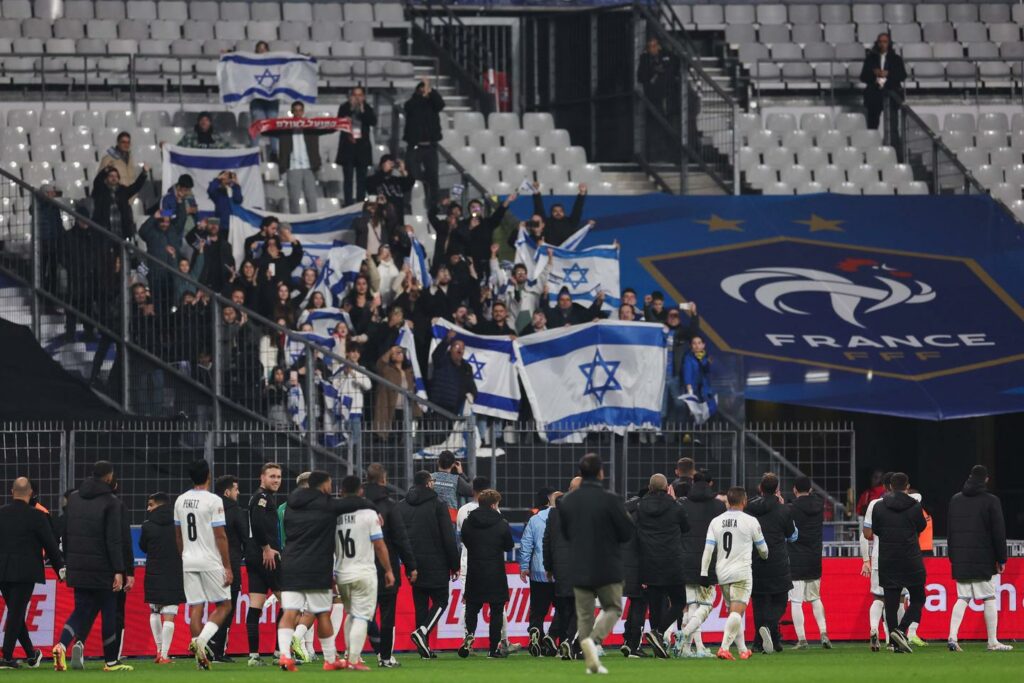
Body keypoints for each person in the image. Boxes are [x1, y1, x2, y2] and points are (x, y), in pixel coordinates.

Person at [276, 472, 381, 672]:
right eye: (330, 484)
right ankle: (330, 658)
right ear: (324, 486)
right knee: (322, 613)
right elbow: (353, 502)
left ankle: (284, 655)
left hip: (290, 564)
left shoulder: (290, 505)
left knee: (290, 611)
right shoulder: (327, 504)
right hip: (317, 566)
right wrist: (375, 508)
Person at [558, 453, 634, 675]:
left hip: (579, 565)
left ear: (581, 473)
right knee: (613, 608)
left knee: (584, 615)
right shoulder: (611, 499)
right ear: (601, 473)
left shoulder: (567, 501)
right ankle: (594, 640)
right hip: (608, 566)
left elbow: (566, 533)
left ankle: (589, 660)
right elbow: (627, 532)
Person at [53, 461, 131, 672]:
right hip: (103, 567)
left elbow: (67, 533)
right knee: (109, 611)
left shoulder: (75, 499)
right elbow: (114, 539)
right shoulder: (111, 502)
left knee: (80, 610)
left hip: (78, 565)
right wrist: (118, 570)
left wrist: (69, 561)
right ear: (108, 477)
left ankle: (61, 645)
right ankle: (111, 661)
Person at [946, 465, 1011, 652]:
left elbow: (950, 531)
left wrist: (953, 555)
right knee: (989, 597)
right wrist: (1002, 558)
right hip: (983, 557)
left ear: (969, 477)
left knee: (963, 597)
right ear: (986, 480)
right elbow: (999, 532)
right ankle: (992, 641)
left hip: (961, 557)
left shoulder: (955, 500)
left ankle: (952, 636)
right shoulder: (991, 501)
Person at [0, 477, 63, 669]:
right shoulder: (37, 516)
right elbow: (50, 545)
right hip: (26, 572)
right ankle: (7, 657)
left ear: (12, 492)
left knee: (15, 613)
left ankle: (31, 654)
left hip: (2, 570)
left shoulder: (1, 513)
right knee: (17, 612)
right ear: (30, 493)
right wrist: (60, 568)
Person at [701, 486, 768, 661]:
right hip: (742, 573)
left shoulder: (716, 521)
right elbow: (764, 550)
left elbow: (708, 550)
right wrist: (763, 554)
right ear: (744, 501)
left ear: (728, 501)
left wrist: (703, 572)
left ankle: (743, 649)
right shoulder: (751, 521)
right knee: (737, 613)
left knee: (734, 613)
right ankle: (723, 648)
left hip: (722, 573)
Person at [398, 470, 459, 660]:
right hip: (436, 562)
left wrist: (408, 562)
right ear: (429, 484)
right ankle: (422, 632)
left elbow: (399, 536)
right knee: (441, 600)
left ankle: (423, 648)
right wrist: (454, 564)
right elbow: (448, 538)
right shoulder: (438, 505)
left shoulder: (402, 506)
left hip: (412, 563)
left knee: (421, 604)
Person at [864, 472, 926, 654]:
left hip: (887, 558)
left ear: (890, 486)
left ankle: (893, 641)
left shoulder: (879, 507)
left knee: (890, 603)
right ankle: (901, 630)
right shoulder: (914, 506)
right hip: (910, 558)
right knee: (918, 597)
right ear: (907, 487)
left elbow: (875, 531)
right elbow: (922, 527)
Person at [362, 464, 418, 668]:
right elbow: (401, 538)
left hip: (360, 566)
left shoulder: (356, 505)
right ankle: (385, 657)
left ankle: (355, 654)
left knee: (362, 613)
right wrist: (411, 566)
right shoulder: (389, 505)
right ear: (384, 479)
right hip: (386, 569)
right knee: (387, 614)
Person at [636, 473, 690, 659]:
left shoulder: (641, 506)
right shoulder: (675, 506)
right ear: (668, 487)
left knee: (655, 605)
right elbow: (686, 527)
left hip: (649, 562)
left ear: (650, 487)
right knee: (679, 602)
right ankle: (658, 633)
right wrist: (673, 500)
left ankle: (657, 639)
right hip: (672, 562)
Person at [458, 489, 514, 659]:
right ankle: (492, 649)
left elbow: (465, 540)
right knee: (497, 610)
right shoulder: (502, 523)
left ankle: (470, 635)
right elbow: (509, 546)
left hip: (475, 570)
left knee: (472, 607)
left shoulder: (468, 522)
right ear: (492, 504)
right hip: (495, 571)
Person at [674, 471, 726, 658]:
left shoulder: (683, 505)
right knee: (704, 605)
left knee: (690, 605)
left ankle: (689, 648)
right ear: (710, 483)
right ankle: (694, 645)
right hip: (709, 562)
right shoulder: (719, 506)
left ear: (692, 482)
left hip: (685, 559)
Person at [745, 472, 796, 655]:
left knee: (759, 603)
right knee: (780, 601)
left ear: (760, 488)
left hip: (754, 560)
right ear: (777, 490)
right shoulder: (783, 510)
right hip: (777, 561)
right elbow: (793, 535)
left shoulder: (748, 508)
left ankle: (763, 643)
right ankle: (769, 627)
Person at [138, 492, 184, 665]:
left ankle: (158, 651)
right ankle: (164, 654)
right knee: (170, 614)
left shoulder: (147, 525)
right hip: (174, 571)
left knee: (155, 610)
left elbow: (143, 546)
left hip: (154, 570)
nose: (148, 508)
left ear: (158, 505)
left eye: (150, 505)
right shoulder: (178, 523)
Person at [245, 463, 283, 666]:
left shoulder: (260, 497)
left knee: (255, 606)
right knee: (289, 603)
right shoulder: (262, 497)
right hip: (266, 557)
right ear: (262, 477)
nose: (276, 480)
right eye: (272, 476)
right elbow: (258, 522)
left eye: (278, 476)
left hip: (253, 557)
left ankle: (253, 656)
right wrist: (267, 548)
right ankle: (279, 652)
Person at [208, 475, 248, 663]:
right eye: (236, 489)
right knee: (227, 608)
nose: (238, 493)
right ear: (227, 491)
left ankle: (209, 643)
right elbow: (245, 539)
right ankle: (216, 649)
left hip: (209, 562)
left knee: (216, 606)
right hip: (229, 564)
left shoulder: (208, 510)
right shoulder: (236, 511)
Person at [788, 476, 830, 649]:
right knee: (815, 598)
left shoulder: (791, 508)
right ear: (811, 489)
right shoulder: (819, 506)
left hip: (796, 557)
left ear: (794, 490)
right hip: (814, 557)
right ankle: (823, 633)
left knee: (796, 601)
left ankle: (802, 639)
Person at [543, 482, 580, 660]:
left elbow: (547, 541)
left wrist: (549, 566)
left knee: (564, 606)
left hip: (560, 566)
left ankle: (562, 642)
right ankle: (569, 642)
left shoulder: (554, 512)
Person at [519, 489, 558, 658]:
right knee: (564, 609)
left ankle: (536, 633)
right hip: (559, 572)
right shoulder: (565, 519)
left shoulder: (535, 520)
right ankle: (555, 639)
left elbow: (526, 544)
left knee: (538, 610)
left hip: (538, 572)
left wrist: (524, 566)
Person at [403, 78, 445, 210]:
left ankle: (433, 205)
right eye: (422, 90)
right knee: (412, 177)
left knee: (433, 177)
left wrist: (430, 91)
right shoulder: (412, 103)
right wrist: (421, 95)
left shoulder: (433, 104)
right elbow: (410, 107)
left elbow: (440, 104)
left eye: (426, 90)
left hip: (430, 147)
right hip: (415, 147)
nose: (424, 92)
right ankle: (408, 205)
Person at [859, 33, 906, 145]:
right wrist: (874, 75)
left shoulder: (896, 59)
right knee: (872, 123)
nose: (882, 44)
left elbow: (902, 75)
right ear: (877, 43)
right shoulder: (870, 59)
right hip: (874, 94)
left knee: (893, 124)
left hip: (891, 94)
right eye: (880, 42)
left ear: (889, 43)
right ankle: (872, 146)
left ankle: (894, 147)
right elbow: (863, 77)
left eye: (885, 42)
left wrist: (888, 74)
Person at [277, 101, 322, 213]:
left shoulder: (310, 127)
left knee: (311, 198)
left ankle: (314, 222)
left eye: (300, 110)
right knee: (294, 199)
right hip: (293, 167)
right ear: (292, 112)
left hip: (309, 167)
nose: (298, 113)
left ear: (303, 112)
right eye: (295, 110)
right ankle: (296, 223)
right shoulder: (285, 129)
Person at [336, 86, 377, 206]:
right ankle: (348, 204)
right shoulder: (344, 107)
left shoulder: (367, 108)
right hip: (348, 148)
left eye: (360, 95)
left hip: (362, 149)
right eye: (355, 95)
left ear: (363, 97)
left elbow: (373, 121)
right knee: (348, 179)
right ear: (351, 96)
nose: (357, 97)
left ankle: (360, 204)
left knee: (362, 179)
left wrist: (362, 110)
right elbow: (339, 123)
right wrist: (351, 109)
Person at [91, 164, 150, 240]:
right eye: (111, 176)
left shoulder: (123, 191)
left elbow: (136, 186)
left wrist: (144, 173)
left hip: (121, 233)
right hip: (105, 233)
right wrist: (105, 170)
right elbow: (97, 182)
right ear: (106, 178)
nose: (114, 178)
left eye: (116, 176)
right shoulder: (100, 191)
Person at [429, 333, 478, 420]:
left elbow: (472, 386)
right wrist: (447, 339)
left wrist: (472, 395)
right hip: (440, 409)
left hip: (458, 410)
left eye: (462, 348)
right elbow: (436, 354)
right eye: (456, 347)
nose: (460, 350)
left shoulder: (467, 368)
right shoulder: (443, 361)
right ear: (450, 348)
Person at [531, 182, 588, 246]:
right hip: (549, 253)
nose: (558, 213)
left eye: (560, 211)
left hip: (565, 254)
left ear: (564, 212)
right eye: (555, 211)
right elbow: (539, 208)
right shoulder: (546, 223)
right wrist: (536, 192)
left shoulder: (571, 222)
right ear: (551, 213)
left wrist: (582, 194)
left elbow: (577, 209)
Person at [250, 41, 280, 155]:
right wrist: (228, 54)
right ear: (256, 51)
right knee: (257, 122)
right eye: (259, 49)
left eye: (264, 48)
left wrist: (302, 57)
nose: (262, 51)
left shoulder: (275, 63)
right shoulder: (251, 63)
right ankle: (253, 152)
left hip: (272, 98)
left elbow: (289, 62)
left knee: (272, 124)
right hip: (257, 98)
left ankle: (274, 152)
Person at [637, 37, 679, 118]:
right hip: (652, 92)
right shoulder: (644, 58)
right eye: (649, 47)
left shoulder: (667, 55)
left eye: (654, 46)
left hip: (666, 90)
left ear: (659, 46)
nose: (651, 49)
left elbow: (675, 66)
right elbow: (641, 76)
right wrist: (654, 71)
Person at [434, 450, 473, 515]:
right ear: (453, 465)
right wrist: (462, 474)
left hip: (433, 517)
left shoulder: (429, 477)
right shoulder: (457, 480)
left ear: (438, 462)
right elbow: (471, 491)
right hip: (451, 519)